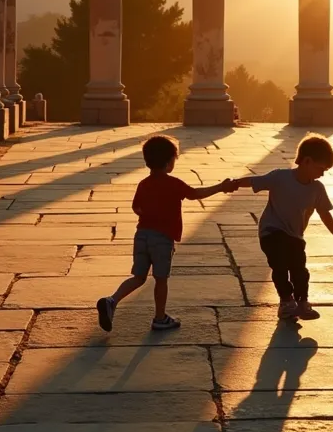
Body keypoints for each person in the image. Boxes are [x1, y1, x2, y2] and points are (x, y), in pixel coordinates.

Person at [96, 135, 235, 332]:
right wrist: (221, 187)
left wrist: (148, 212)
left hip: (141, 235)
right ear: (170, 162)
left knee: (138, 277)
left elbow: (136, 208)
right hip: (162, 238)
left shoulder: (143, 184)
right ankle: (159, 318)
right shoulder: (174, 184)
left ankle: (111, 300)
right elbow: (196, 194)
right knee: (161, 279)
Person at [229, 134, 333, 321]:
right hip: (271, 231)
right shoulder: (280, 177)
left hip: (295, 237)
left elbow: (324, 212)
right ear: (307, 161)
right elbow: (254, 181)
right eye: (321, 168)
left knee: (300, 269)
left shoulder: (317, 189)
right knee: (280, 266)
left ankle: (302, 302)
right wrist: (234, 183)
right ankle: (286, 302)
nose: (322, 174)